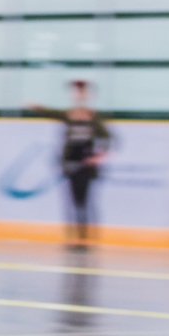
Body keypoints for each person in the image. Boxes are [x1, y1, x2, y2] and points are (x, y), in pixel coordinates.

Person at [27, 80, 111, 244]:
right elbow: (52, 113)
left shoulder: (94, 117)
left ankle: (85, 236)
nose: (78, 95)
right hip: (71, 163)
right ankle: (73, 236)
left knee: (85, 201)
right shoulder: (69, 114)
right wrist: (35, 106)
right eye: (76, 92)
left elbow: (107, 137)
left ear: (87, 95)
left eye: (81, 92)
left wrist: (98, 157)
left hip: (86, 165)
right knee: (72, 200)